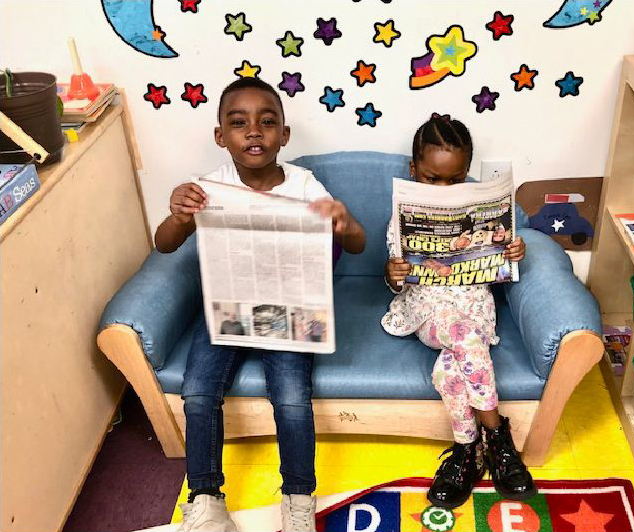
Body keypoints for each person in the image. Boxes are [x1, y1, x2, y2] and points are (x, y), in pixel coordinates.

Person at [154, 77, 366, 532]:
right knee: (197, 392)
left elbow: (358, 243)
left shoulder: (306, 185)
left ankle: (298, 498)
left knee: (291, 398)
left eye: (267, 122)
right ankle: (206, 498)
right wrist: (178, 215)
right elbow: (165, 245)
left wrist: (344, 222)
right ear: (220, 136)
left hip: (288, 310)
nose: (254, 131)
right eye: (239, 123)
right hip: (226, 306)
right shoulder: (207, 187)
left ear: (284, 135)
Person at [382, 114, 536, 509]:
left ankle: (467, 450)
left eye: (455, 179)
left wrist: (512, 254)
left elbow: (498, 273)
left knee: (450, 369)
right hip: (428, 312)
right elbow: (399, 281)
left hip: (474, 309)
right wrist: (395, 274)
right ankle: (499, 438)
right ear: (413, 169)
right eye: (433, 179)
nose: (445, 189)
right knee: (465, 339)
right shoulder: (401, 220)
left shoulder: (479, 213)